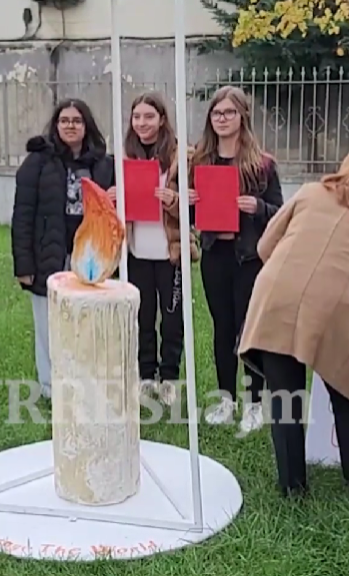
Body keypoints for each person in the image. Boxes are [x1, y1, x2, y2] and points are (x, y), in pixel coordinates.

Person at [237, 141, 349, 500]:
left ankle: (292, 487)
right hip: (333, 309)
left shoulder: (310, 192)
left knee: (285, 397)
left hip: (276, 295)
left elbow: (265, 247)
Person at [188, 86, 283, 434]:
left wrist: (258, 207)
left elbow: (279, 212)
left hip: (249, 258)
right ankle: (226, 400)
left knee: (249, 329)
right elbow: (191, 216)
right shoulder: (201, 161)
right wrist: (189, 202)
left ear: (242, 116)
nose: (222, 119)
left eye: (229, 112)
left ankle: (254, 404)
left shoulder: (262, 164)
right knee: (223, 327)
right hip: (215, 255)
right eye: (216, 113)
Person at [12, 98, 115, 400]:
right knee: (48, 324)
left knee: (87, 320)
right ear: (56, 125)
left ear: (87, 126)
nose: (71, 126)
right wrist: (24, 265)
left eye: (77, 121)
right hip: (49, 255)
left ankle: (85, 383)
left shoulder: (103, 164)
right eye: (64, 120)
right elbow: (22, 215)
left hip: (90, 255)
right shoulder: (38, 162)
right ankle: (50, 387)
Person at [120, 92, 198, 406]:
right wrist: (113, 196)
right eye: (137, 117)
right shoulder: (124, 156)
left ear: (162, 119)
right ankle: (146, 376)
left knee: (172, 319)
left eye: (149, 116)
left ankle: (169, 378)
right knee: (142, 317)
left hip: (171, 253)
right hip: (136, 252)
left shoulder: (184, 157)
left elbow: (197, 206)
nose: (142, 123)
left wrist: (174, 201)